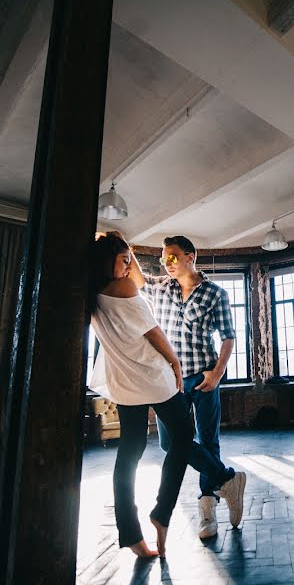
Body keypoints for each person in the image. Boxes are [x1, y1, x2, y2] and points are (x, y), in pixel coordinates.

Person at [129, 235, 247, 540]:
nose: (166, 263)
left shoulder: (215, 294)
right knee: (170, 444)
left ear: (190, 257)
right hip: (171, 380)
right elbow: (136, 275)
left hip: (205, 376)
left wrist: (218, 373)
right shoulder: (159, 287)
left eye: (172, 257)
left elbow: (229, 336)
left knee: (209, 441)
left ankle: (207, 508)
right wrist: (122, 244)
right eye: (163, 258)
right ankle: (228, 481)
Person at [89, 233, 194, 558]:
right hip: (153, 377)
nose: (128, 267)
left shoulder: (94, 294)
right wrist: (175, 361)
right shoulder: (121, 288)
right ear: (108, 262)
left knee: (129, 453)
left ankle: (131, 535)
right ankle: (161, 512)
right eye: (122, 260)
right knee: (184, 435)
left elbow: (135, 276)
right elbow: (153, 330)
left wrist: (124, 249)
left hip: (124, 383)